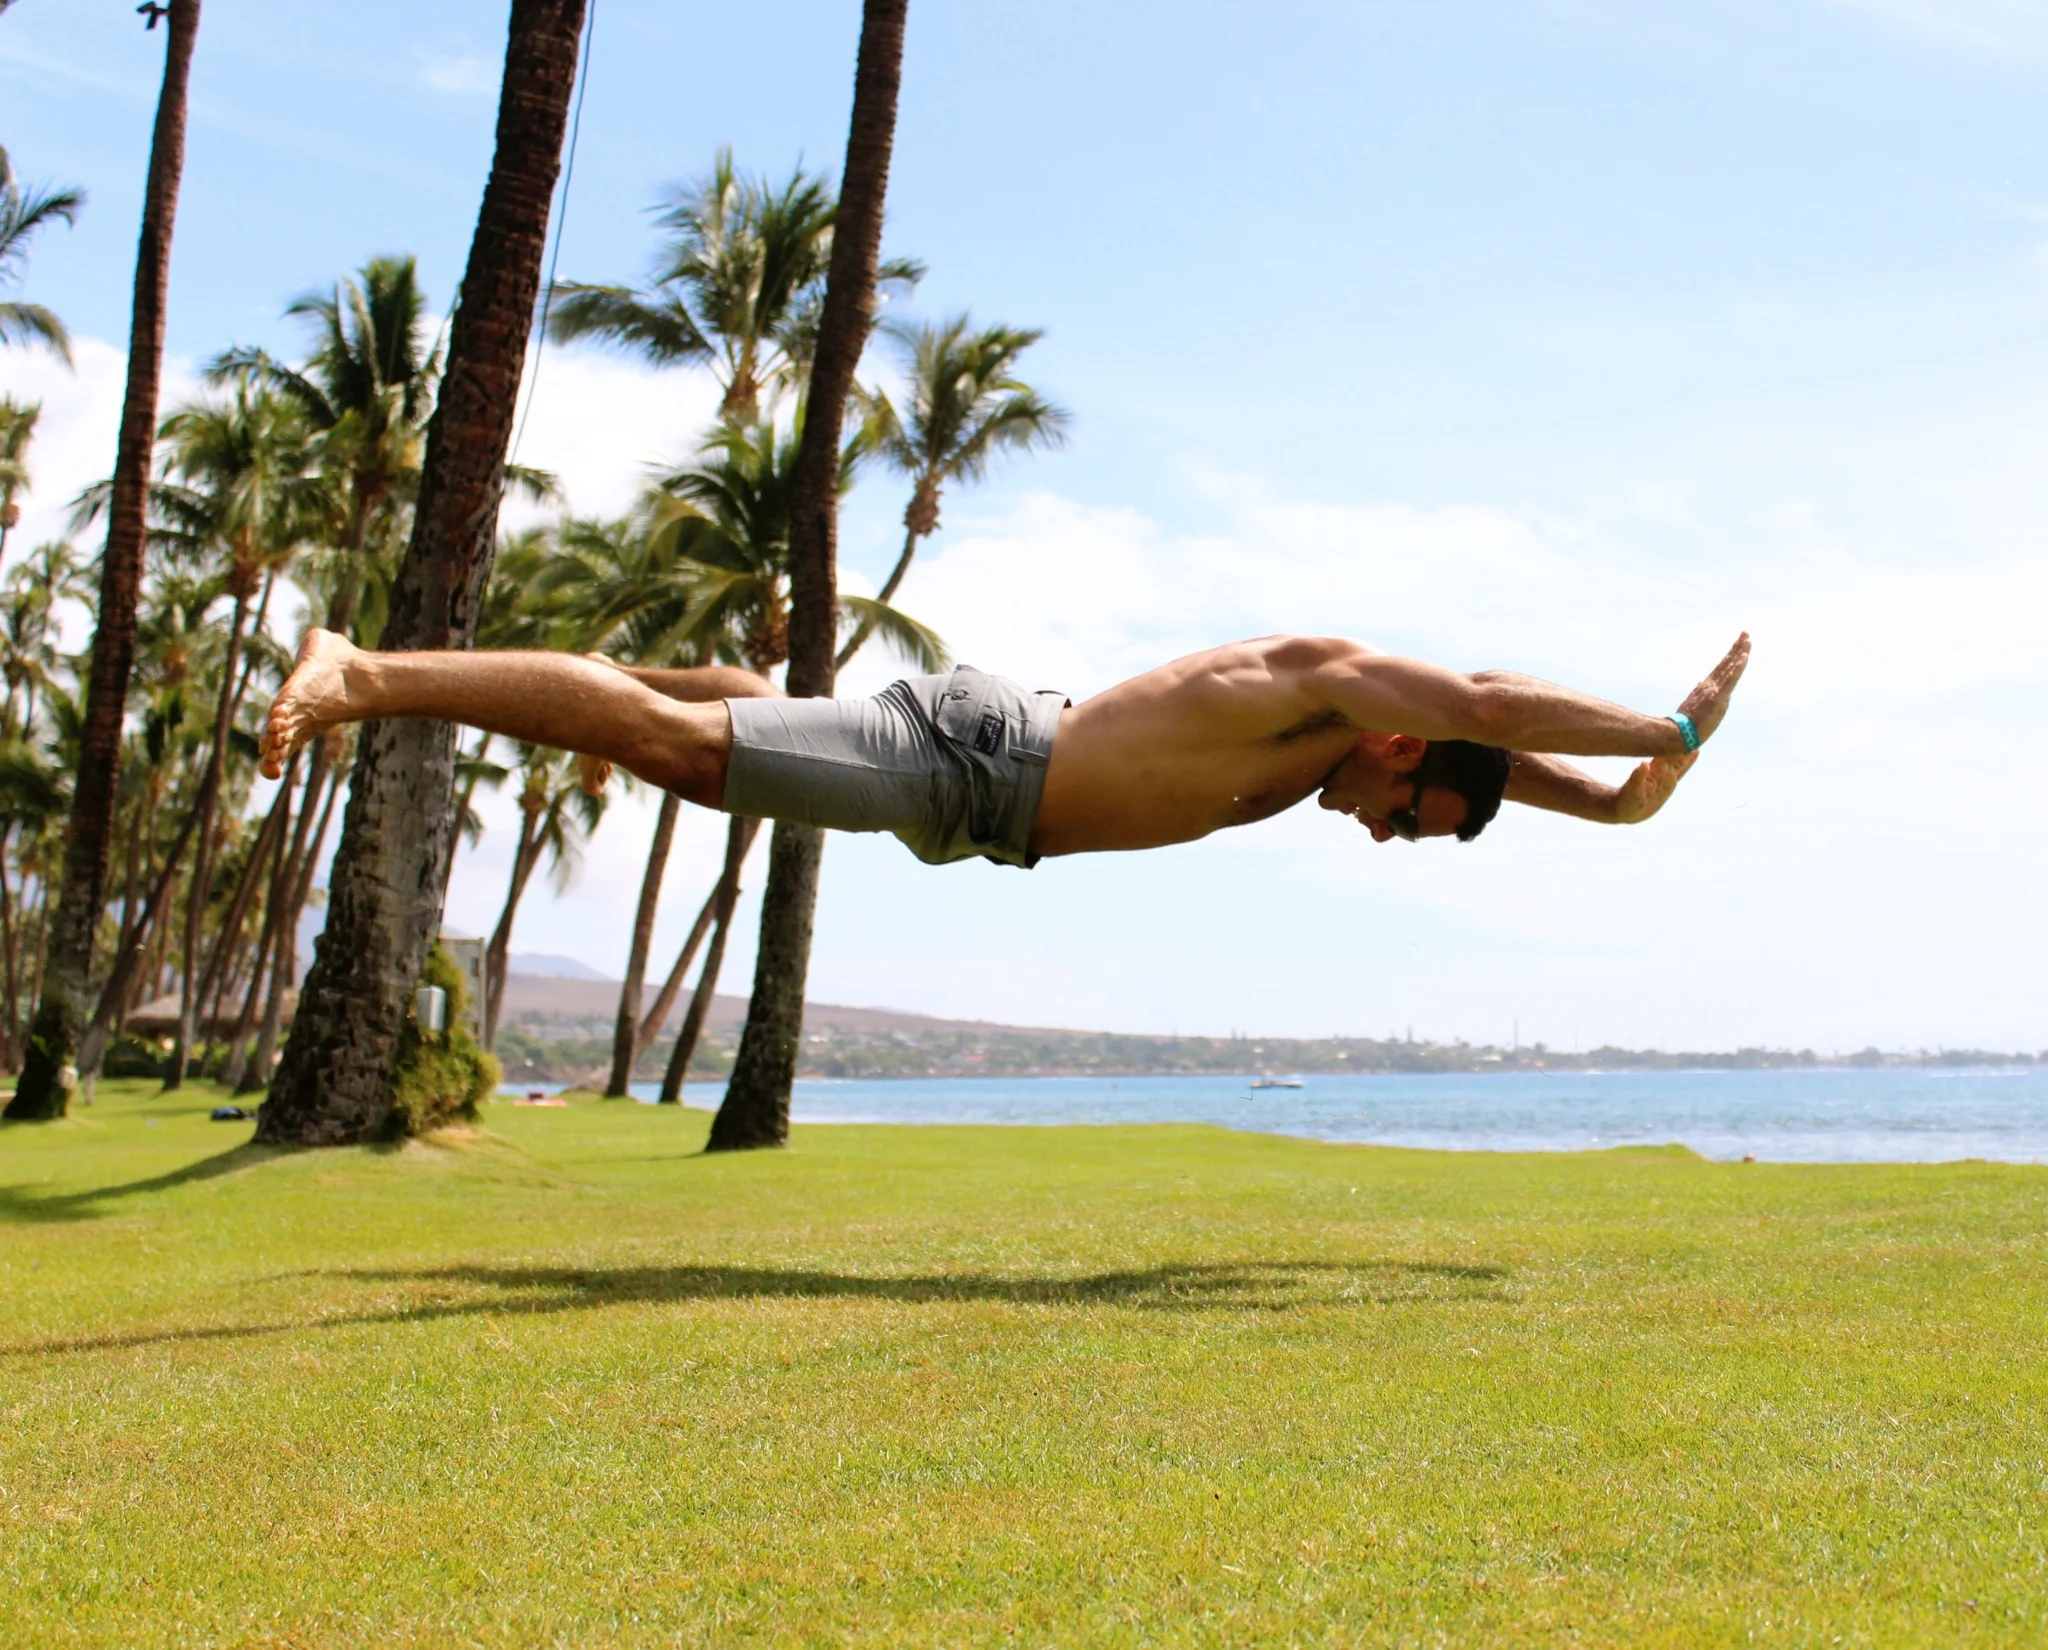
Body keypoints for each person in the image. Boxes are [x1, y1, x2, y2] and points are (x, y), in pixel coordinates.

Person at [262, 628, 1750, 869]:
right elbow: (1489, 699)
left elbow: (1503, 764)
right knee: (687, 753)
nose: (1375, 831)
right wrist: (1666, 723)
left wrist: (1627, 801)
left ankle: (596, 679)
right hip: (985, 765)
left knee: (706, 723)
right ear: (1406, 745)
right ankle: (370, 672)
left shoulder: (1334, 759)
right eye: (1402, 818)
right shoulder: (1318, 686)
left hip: (984, 792)